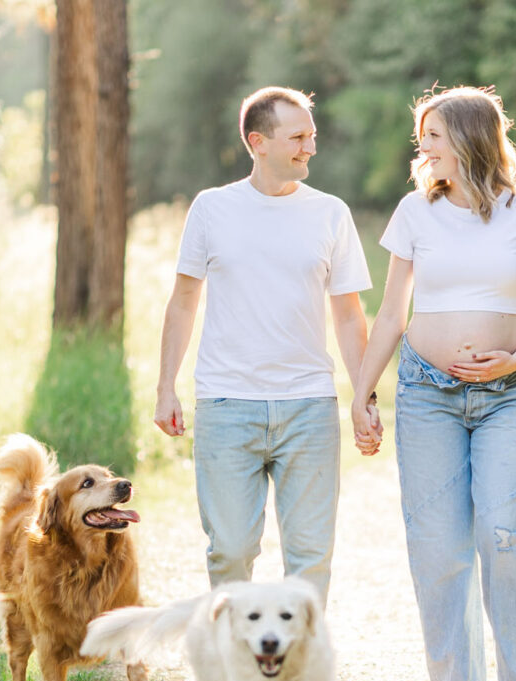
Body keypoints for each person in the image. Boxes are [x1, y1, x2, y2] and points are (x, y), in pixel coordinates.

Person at [351, 86, 516, 681]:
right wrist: (361, 392)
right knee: (439, 542)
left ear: (470, 137)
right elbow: (392, 313)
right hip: (426, 393)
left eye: (434, 135)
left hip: (505, 393)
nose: (423, 147)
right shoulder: (417, 212)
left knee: (505, 530)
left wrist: (514, 357)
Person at [154, 86, 375, 604]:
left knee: (310, 557)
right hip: (228, 404)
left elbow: (348, 314)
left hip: (308, 406)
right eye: (298, 137)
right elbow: (184, 301)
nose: (310, 148)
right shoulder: (211, 209)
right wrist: (166, 388)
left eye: (312, 136)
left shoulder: (331, 214)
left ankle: (297, 676)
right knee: (230, 550)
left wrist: (362, 396)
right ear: (258, 142)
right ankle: (233, 667)